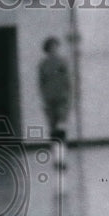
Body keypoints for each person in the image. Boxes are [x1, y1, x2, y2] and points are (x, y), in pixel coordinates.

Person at [38, 36, 71, 167]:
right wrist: (44, 98)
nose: (54, 50)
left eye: (55, 47)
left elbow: (68, 82)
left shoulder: (63, 62)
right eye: (51, 47)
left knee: (61, 129)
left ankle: (62, 158)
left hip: (62, 99)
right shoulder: (43, 65)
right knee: (53, 130)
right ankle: (56, 158)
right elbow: (41, 83)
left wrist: (68, 99)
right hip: (49, 100)